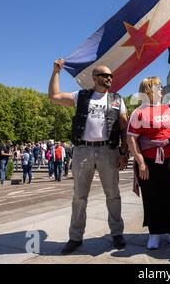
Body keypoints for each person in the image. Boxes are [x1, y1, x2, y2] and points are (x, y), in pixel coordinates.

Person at [49, 59, 128, 254]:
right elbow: (54, 96)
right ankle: (75, 237)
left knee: (113, 195)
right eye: (105, 75)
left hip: (108, 151)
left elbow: (124, 128)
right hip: (83, 150)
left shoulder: (118, 99)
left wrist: (123, 152)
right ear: (95, 77)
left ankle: (117, 233)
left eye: (111, 76)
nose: (109, 78)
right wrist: (56, 72)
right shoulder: (81, 96)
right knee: (79, 197)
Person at [127, 77, 170, 250]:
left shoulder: (168, 109)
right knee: (152, 196)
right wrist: (141, 163)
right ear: (148, 90)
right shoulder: (138, 112)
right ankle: (155, 232)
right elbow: (131, 139)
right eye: (158, 86)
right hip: (149, 161)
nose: (161, 88)